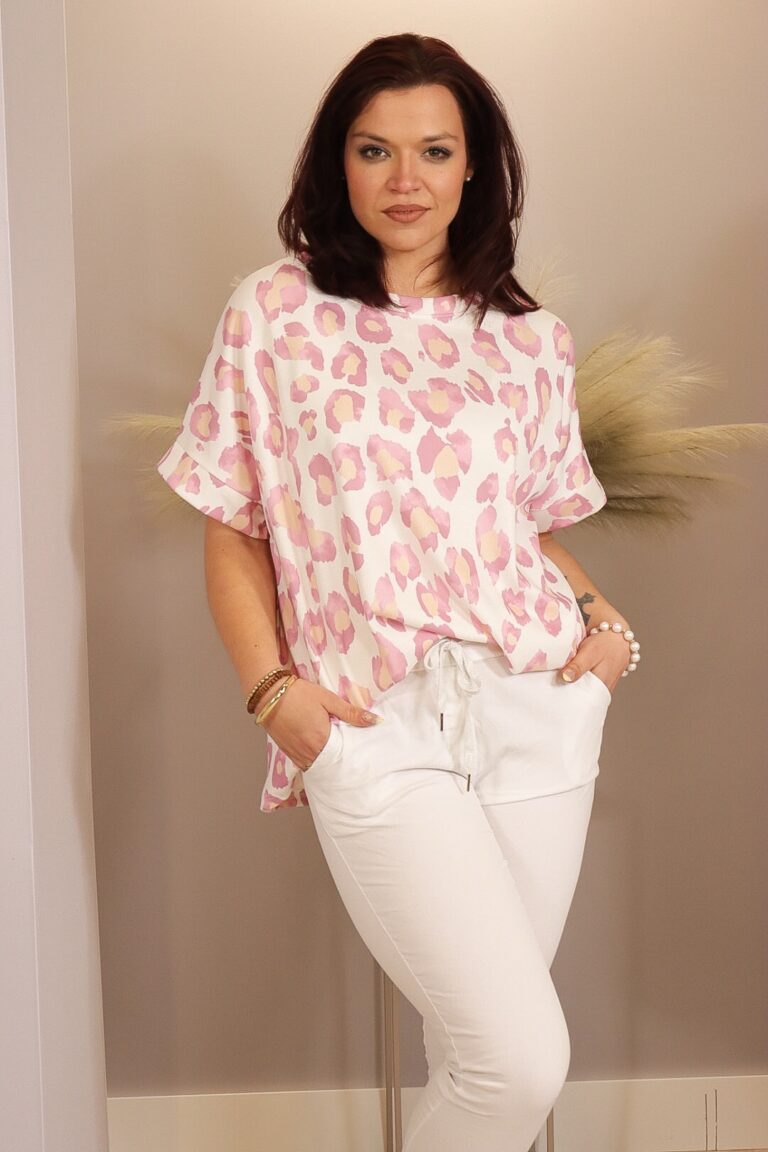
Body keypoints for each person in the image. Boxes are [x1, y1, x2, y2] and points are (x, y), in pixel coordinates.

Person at [156, 32, 640, 1152]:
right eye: (376, 150)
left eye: (435, 151)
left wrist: (604, 635)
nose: (406, 179)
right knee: (520, 1061)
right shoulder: (275, 313)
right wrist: (274, 694)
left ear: (476, 168)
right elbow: (232, 526)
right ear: (339, 161)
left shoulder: (531, 341)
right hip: (376, 723)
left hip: (535, 711)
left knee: (473, 1059)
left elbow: (522, 530)